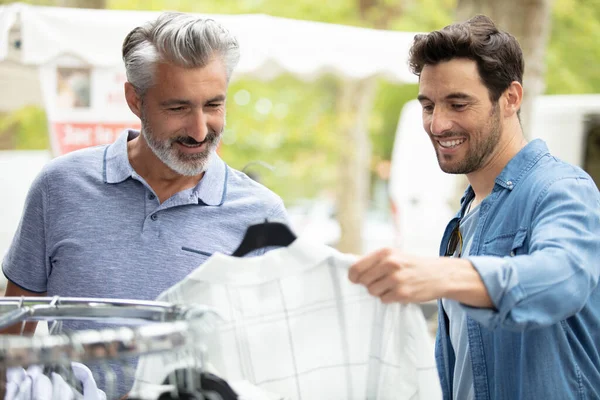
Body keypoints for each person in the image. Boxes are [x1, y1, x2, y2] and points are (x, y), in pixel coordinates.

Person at [2, 12, 287, 395]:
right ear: (135, 100)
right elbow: (11, 339)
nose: (200, 130)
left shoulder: (262, 215)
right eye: (178, 108)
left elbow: (277, 361)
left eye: (213, 105)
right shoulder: (59, 187)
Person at [349, 15, 600, 400]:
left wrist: (443, 276)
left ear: (511, 98)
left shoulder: (562, 188)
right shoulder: (462, 220)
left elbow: (563, 278)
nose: (438, 124)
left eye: (458, 103)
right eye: (428, 105)